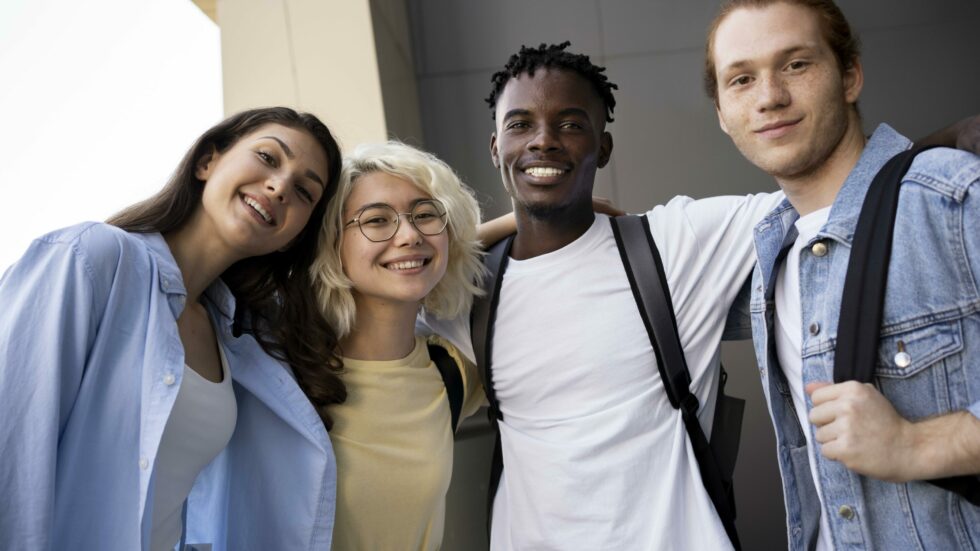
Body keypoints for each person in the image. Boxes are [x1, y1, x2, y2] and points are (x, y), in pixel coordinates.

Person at [423, 42, 784, 550]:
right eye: (520, 124)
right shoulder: (473, 287)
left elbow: (843, 188)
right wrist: (500, 227)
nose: (543, 141)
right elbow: (378, 288)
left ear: (604, 146)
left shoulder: (672, 242)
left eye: (570, 124)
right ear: (495, 146)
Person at [0, 107, 346, 551]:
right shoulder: (92, 257)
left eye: (304, 191)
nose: (280, 187)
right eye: (267, 157)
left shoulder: (239, 341)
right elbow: (10, 444)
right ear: (207, 162)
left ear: (295, 235)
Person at [706, 1, 980, 549]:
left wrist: (916, 444)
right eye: (741, 79)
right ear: (722, 112)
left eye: (796, 64)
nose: (769, 97)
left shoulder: (952, 198)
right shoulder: (768, 253)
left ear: (850, 75)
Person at [312, 141, 532, 549]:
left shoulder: (451, 371)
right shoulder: (287, 372)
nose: (409, 235)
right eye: (376, 220)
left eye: (426, 215)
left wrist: (537, 218)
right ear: (330, 242)